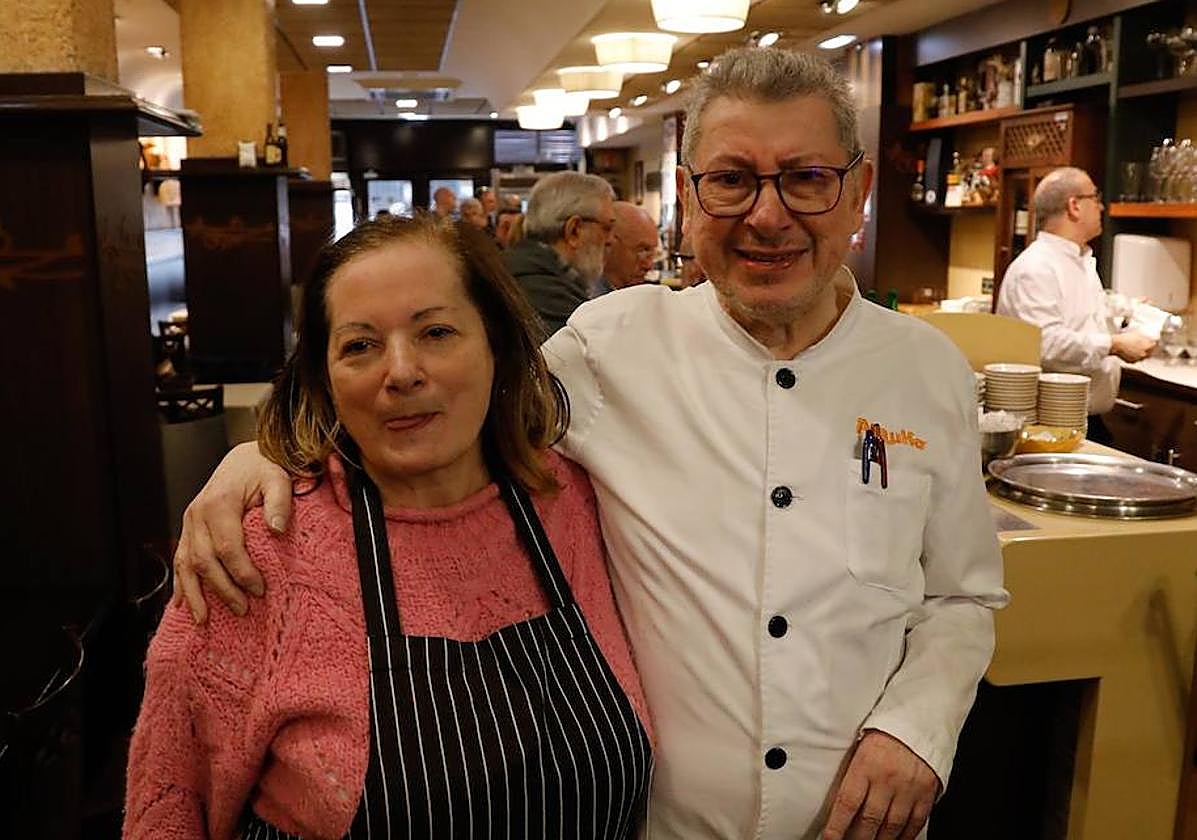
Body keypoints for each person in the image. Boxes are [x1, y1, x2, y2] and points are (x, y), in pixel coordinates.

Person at [172, 47, 1007, 839]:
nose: (767, 214)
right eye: (730, 180)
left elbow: (962, 596)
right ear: (688, 194)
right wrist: (266, 451)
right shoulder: (610, 346)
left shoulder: (925, 372)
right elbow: (454, 405)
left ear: (857, 192)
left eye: (806, 180)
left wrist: (914, 729)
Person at [127, 215, 653, 838]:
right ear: (325, 379)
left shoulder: (578, 502)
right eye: (360, 345)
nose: (401, 372)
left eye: (435, 331)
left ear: (498, 347)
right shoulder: (256, 558)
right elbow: (167, 807)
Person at [995, 167, 1156, 442]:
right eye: (1095, 197)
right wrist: (1115, 344)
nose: (1102, 206)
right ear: (1074, 206)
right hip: (1048, 424)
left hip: (1084, 420)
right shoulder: (1036, 267)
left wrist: (1124, 313)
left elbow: (1080, 321)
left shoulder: (1079, 261)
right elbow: (1045, 343)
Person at [501, 170, 615, 338]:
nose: (611, 240)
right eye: (607, 228)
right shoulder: (549, 298)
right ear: (574, 230)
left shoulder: (524, 270)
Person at [592, 201, 660, 295]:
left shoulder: (633, 295)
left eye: (652, 253)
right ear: (609, 243)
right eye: (642, 250)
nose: (649, 266)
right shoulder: (588, 301)